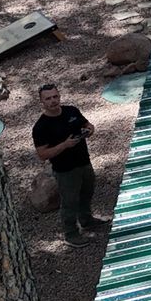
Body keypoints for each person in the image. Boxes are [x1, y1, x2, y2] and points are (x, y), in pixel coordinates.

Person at [31, 83, 103, 247]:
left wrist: (90, 129)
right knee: (69, 202)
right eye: (48, 98)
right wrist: (64, 145)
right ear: (42, 102)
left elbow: (86, 124)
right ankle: (71, 234)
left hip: (84, 162)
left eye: (55, 97)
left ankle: (86, 219)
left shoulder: (71, 111)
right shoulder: (41, 127)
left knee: (87, 192)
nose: (53, 101)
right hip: (65, 170)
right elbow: (42, 154)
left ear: (59, 96)